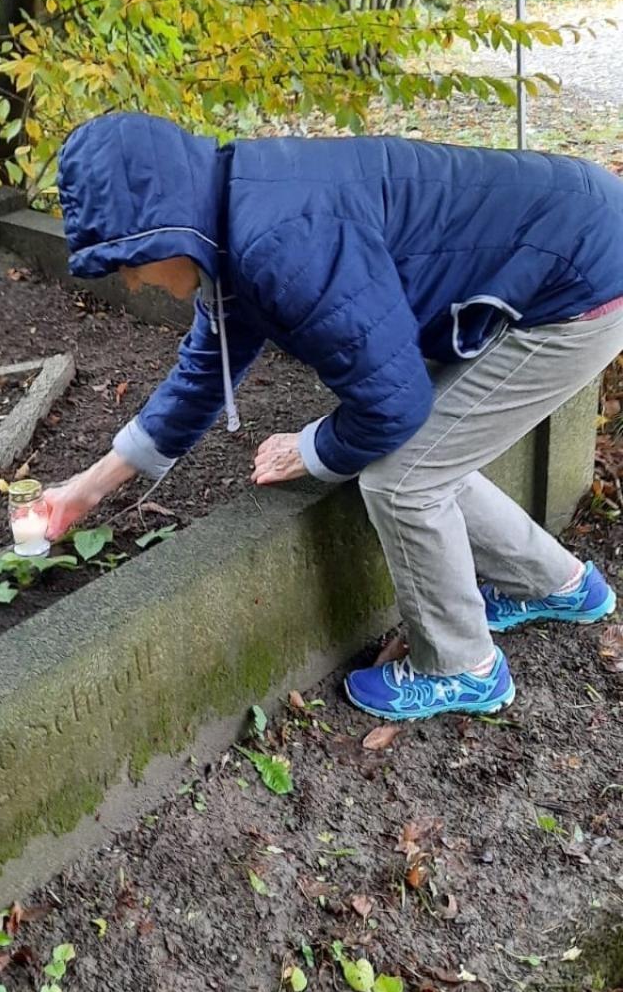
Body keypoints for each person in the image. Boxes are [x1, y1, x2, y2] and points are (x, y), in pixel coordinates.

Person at [43, 112, 623, 721]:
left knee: (400, 480)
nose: (134, 283)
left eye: (132, 262)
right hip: (572, 238)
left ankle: (461, 667)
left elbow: (393, 407)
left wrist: (313, 448)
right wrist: (86, 490)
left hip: (581, 283)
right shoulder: (229, 218)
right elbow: (201, 377)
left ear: (165, 228)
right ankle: (559, 586)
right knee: (428, 453)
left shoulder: (278, 244)